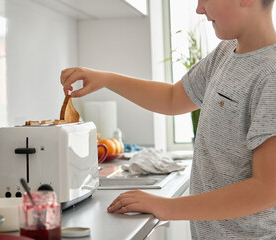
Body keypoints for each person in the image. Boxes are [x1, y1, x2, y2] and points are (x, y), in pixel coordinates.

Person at [60, 0, 276, 239]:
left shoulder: (271, 75)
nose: (199, 8)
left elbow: (266, 189)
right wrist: (106, 79)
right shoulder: (225, 53)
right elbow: (173, 98)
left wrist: (168, 207)